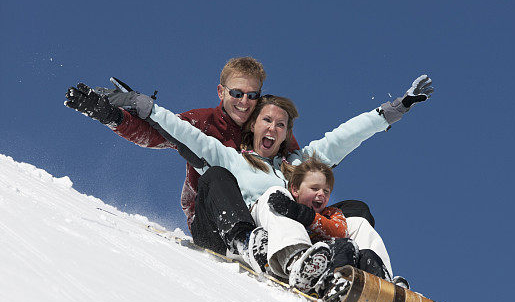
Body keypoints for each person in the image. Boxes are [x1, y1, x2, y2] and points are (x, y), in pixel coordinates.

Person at [65, 75, 434, 294]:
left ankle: (375, 276)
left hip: (291, 230)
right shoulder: (229, 156)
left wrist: (395, 109)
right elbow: (181, 132)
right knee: (236, 184)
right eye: (267, 121)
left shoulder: (295, 164)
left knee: (357, 214)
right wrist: (141, 106)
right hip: (234, 232)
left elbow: (342, 138)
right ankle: (281, 256)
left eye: (281, 125)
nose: (273, 129)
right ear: (253, 126)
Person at [63, 56, 374, 238]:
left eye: (253, 96)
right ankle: (245, 241)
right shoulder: (203, 123)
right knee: (218, 176)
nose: (244, 102)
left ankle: (357, 266)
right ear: (221, 91)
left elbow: (307, 165)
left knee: (353, 209)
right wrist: (111, 114)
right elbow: (153, 134)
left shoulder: (272, 131)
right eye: (237, 93)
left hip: (271, 218)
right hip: (216, 220)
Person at [274, 156, 394, 282]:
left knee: (362, 254)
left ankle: (384, 282)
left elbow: (340, 232)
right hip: (309, 261)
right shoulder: (288, 209)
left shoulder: (332, 213)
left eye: (326, 191)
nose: (321, 194)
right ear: (295, 189)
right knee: (345, 247)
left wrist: (310, 218)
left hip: (329, 253)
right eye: (314, 188)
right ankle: (331, 281)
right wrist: (296, 212)